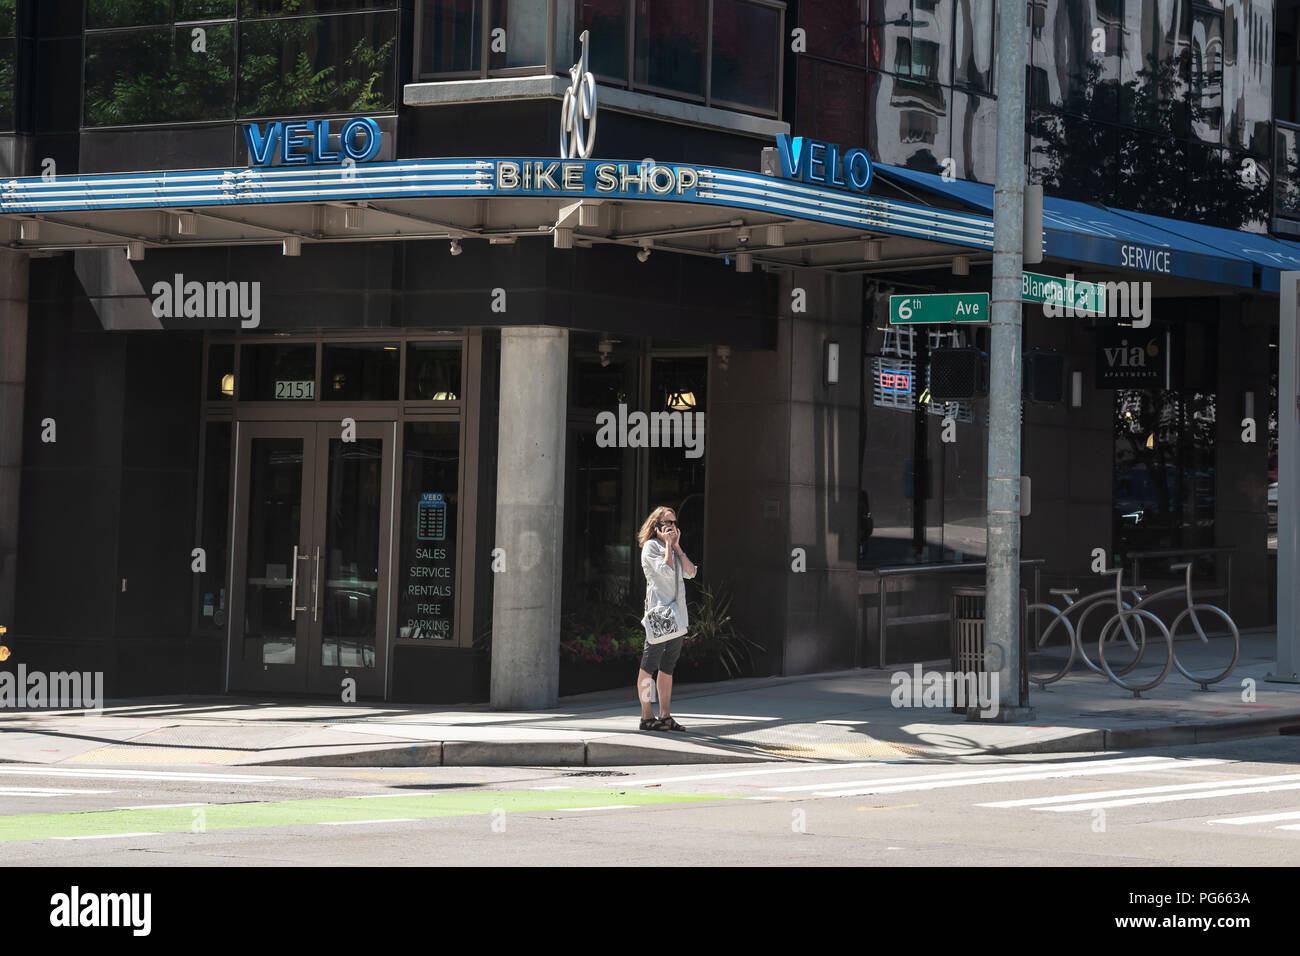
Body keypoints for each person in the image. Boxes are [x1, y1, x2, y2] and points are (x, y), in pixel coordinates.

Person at [635, 505, 697, 732]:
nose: (672, 527)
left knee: (668, 666)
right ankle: (646, 715)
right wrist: (669, 547)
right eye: (668, 523)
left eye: (674, 523)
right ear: (657, 526)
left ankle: (665, 715)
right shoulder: (651, 547)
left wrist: (677, 547)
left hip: (677, 617)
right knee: (649, 664)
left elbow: (690, 572)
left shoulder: (672, 548)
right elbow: (667, 571)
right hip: (660, 616)